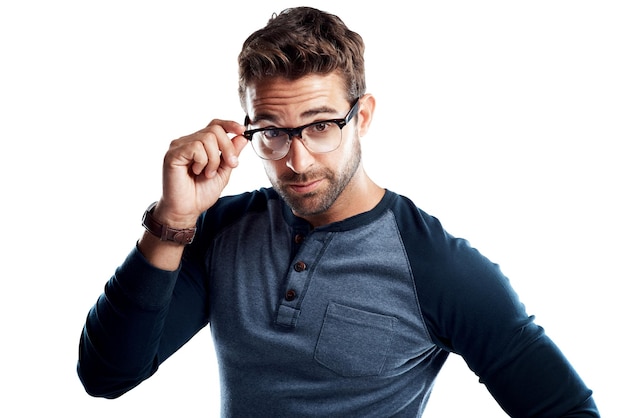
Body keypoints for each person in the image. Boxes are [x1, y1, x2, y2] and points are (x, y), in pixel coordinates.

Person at [77, 6, 599, 417]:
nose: (297, 160)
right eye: (273, 133)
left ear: (362, 116)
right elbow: (106, 376)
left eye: (321, 125)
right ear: (246, 130)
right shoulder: (220, 230)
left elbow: (570, 410)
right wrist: (172, 222)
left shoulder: (439, 268)